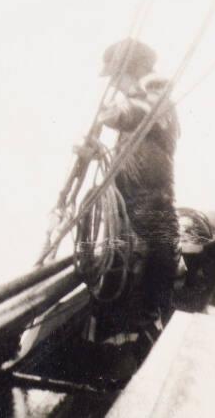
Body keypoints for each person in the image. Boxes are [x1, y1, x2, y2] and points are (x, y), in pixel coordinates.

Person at [86, 38, 181, 348]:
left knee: (144, 276)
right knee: (133, 271)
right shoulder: (142, 99)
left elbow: (133, 114)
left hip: (149, 208)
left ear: (132, 70)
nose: (114, 83)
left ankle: (135, 344)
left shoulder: (157, 98)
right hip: (133, 207)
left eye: (116, 76)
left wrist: (112, 113)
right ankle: (129, 337)